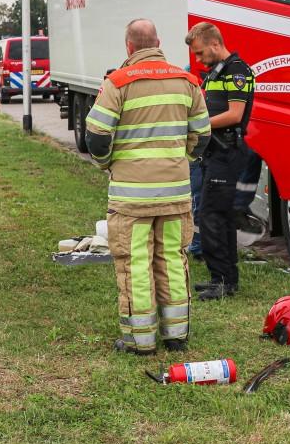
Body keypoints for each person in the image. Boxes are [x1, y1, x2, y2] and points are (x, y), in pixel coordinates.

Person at [84, 18, 210, 355]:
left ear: (129, 47)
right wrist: (181, 158)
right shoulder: (187, 81)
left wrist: (106, 162)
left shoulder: (118, 82)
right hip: (176, 193)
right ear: (158, 42)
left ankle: (139, 341)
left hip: (131, 196)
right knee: (172, 258)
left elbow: (96, 135)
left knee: (135, 262)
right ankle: (176, 336)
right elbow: (203, 134)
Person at [185, 21, 254, 301]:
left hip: (227, 152)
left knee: (210, 215)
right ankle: (224, 278)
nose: (198, 59)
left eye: (200, 53)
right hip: (215, 151)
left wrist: (196, 125)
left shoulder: (237, 71)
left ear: (215, 44)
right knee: (220, 215)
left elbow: (235, 114)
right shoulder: (215, 73)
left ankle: (222, 280)